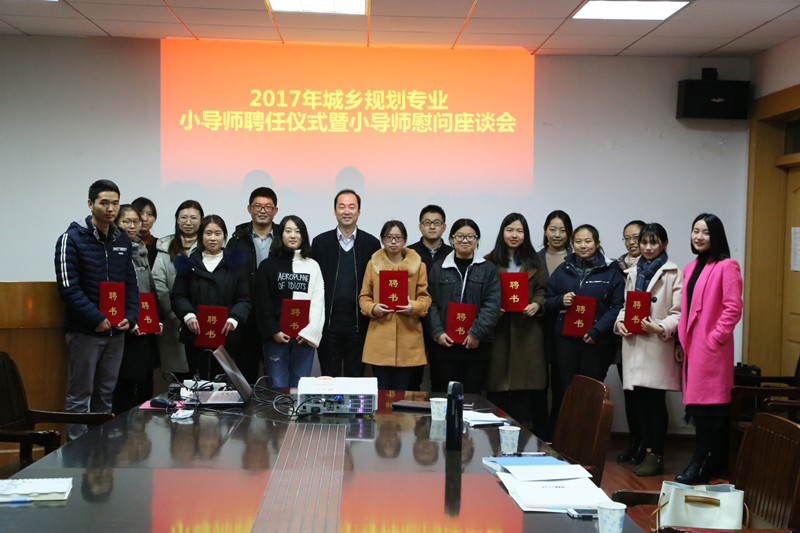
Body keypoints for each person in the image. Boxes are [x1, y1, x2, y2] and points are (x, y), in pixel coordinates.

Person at [54, 180, 139, 439]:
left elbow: (131, 284)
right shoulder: (71, 239)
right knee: (80, 394)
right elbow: (68, 288)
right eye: (104, 203)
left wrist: (130, 316)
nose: (111, 208)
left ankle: (100, 450)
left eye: (115, 203)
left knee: (105, 394)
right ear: (91, 204)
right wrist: (96, 318)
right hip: (86, 331)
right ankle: (76, 451)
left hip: (116, 333)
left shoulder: (122, 239)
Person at [675, 213, 742, 484]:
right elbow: (686, 309)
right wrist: (681, 341)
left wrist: (715, 338)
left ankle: (702, 462)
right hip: (692, 347)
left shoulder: (727, 265)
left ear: (716, 236)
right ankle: (707, 462)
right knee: (699, 408)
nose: (699, 237)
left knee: (710, 410)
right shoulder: (690, 267)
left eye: (705, 232)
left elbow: (733, 307)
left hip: (712, 349)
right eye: (695, 231)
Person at [614, 223, 683, 476]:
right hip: (634, 343)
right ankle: (644, 449)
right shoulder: (633, 272)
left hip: (656, 344)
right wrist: (619, 322)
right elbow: (626, 306)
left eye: (653, 242)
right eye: (644, 242)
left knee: (654, 402)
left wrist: (661, 327)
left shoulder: (673, 272)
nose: (648, 247)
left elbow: (679, 313)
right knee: (639, 402)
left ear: (664, 244)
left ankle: (656, 454)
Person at [485, 213, 548, 433]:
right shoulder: (489, 261)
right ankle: (494, 437)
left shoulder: (535, 261)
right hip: (499, 331)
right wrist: (492, 309)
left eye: (520, 231)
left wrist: (536, 304)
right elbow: (483, 293)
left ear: (525, 235)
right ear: (502, 232)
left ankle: (521, 438)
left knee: (524, 389)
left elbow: (542, 290)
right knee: (497, 388)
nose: (514, 235)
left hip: (527, 331)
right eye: (510, 230)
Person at [545, 224, 625, 398]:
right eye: (578, 241)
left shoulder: (611, 271)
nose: (583, 246)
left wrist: (597, 331)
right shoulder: (563, 269)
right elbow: (547, 301)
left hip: (597, 342)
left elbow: (618, 306)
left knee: (591, 393)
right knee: (567, 392)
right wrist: (560, 300)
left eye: (587, 241)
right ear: (572, 244)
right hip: (566, 342)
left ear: (597, 243)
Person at [171, 215, 251, 380]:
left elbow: (244, 298)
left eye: (217, 233)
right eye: (208, 233)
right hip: (195, 334)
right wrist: (188, 315)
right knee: (196, 381)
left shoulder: (236, 265)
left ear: (224, 236)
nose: (213, 238)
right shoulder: (189, 264)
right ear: (201, 236)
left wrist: (234, 318)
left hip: (226, 335)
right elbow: (178, 295)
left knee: (220, 382)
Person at [311, 189, 381, 377]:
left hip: (359, 326)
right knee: (328, 379)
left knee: (355, 380)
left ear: (359, 211)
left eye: (352, 206)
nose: (347, 211)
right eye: (342, 207)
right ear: (335, 211)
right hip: (328, 326)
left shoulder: (371, 244)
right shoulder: (320, 243)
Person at [426, 218, 501, 393]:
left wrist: (476, 333)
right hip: (445, 344)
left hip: (477, 345)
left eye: (470, 236)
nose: (465, 241)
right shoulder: (439, 268)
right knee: (444, 394)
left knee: (472, 397)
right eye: (460, 236)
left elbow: (492, 304)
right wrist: (438, 332)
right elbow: (430, 302)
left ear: (477, 240)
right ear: (452, 239)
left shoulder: (488, 269)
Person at [359, 220, 431, 390]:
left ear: (405, 240)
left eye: (398, 238)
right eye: (389, 237)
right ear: (382, 240)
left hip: (408, 338)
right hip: (380, 338)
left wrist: (413, 307)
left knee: (402, 391)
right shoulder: (372, 265)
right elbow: (364, 297)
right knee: (382, 390)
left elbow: (425, 298)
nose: (393, 241)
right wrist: (373, 308)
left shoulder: (419, 266)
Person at [255, 215, 324, 388]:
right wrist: (274, 331)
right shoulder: (267, 266)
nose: (293, 235)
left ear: (303, 236)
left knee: (299, 389)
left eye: (298, 231)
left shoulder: (313, 266)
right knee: (278, 389)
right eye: (288, 231)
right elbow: (263, 302)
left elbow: (318, 300)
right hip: (276, 339)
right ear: (280, 235)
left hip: (304, 339)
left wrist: (310, 332)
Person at [225, 187, 279, 383]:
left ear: (275, 210)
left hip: (275, 317)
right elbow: (229, 279)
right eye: (257, 206)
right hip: (245, 318)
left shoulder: (284, 238)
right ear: (249, 209)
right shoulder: (237, 241)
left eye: (268, 206)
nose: (262, 211)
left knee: (276, 377)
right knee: (246, 377)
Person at [112, 205, 162, 414]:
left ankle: (140, 425)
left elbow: (150, 287)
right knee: (123, 382)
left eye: (136, 221)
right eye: (126, 221)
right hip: (124, 325)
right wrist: (131, 319)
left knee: (144, 378)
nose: (132, 226)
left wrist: (155, 319)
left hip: (144, 323)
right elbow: (114, 290)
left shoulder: (141, 248)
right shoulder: (113, 249)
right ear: (116, 223)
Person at [152, 200, 204, 379]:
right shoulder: (165, 248)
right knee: (180, 378)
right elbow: (159, 285)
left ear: (201, 220)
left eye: (193, 218)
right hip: (173, 320)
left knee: (205, 374)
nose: (188, 222)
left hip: (204, 322)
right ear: (176, 219)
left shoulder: (209, 247)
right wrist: (175, 315)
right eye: (183, 217)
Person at [407, 205, 453, 391]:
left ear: (444, 227)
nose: (432, 226)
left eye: (437, 222)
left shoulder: (452, 254)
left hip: (443, 322)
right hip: (413, 321)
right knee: (412, 377)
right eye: (427, 222)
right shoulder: (408, 253)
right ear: (420, 226)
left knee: (442, 376)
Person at [614, 219, 647, 465]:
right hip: (624, 339)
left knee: (646, 397)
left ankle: (647, 445)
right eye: (627, 238)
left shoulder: (654, 266)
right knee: (630, 395)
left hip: (648, 340)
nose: (631, 242)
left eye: (636, 237)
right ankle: (634, 442)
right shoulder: (617, 266)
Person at [537, 210, 573, 426]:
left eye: (563, 230)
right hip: (537, 326)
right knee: (539, 381)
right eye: (553, 229)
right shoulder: (534, 258)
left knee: (562, 380)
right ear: (545, 231)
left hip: (566, 328)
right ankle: (540, 426)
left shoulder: (575, 259)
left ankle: (558, 426)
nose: (557, 234)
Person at [131, 197, 158, 268]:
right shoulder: (125, 244)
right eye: (140, 214)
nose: (145, 218)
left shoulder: (159, 245)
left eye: (150, 214)